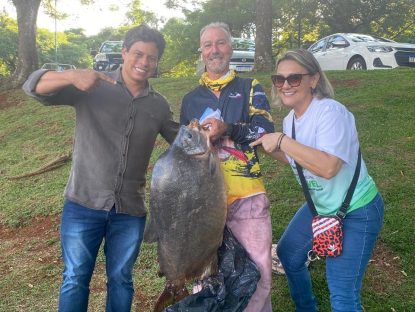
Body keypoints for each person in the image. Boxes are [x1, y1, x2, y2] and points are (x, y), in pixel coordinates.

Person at [22, 24, 178, 312]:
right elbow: (33, 86)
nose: (144, 62)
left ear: (157, 62)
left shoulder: (158, 104)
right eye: (138, 54)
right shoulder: (91, 85)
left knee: (121, 279)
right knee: (75, 278)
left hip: (129, 210)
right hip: (83, 204)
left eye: (152, 57)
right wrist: (71, 75)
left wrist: (210, 131)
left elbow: (182, 140)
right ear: (124, 53)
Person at [251, 49, 384, 312]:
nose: (286, 85)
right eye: (280, 79)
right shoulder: (290, 121)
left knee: (343, 297)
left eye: (294, 78)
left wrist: (282, 141)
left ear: (313, 79)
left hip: (357, 209)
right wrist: (269, 149)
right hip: (321, 207)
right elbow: (299, 160)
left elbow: (327, 167)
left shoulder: (330, 112)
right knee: (289, 256)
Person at [180, 22, 274, 312]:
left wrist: (227, 129)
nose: (214, 50)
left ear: (230, 48)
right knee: (207, 278)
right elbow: (185, 152)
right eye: (207, 45)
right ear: (201, 51)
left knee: (259, 274)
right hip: (205, 201)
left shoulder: (250, 88)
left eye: (220, 43)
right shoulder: (190, 99)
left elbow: (264, 133)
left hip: (247, 195)